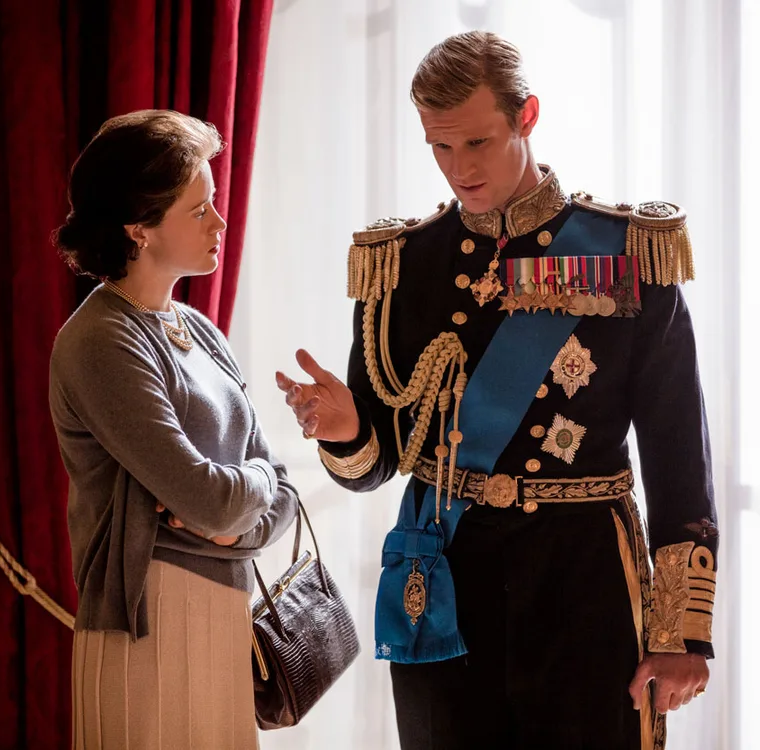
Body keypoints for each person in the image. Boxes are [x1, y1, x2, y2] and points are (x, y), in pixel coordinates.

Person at [277, 31, 717, 750]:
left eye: (477, 142)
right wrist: (343, 431)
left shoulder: (629, 253)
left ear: (528, 116)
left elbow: (678, 458)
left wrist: (681, 635)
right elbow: (378, 462)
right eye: (440, 148)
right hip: (447, 574)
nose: (460, 169)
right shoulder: (402, 265)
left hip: (583, 577)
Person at [50, 110, 298, 750]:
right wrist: (236, 504)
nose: (220, 222)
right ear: (138, 228)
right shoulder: (101, 340)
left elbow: (281, 490)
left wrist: (230, 518)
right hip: (148, 620)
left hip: (222, 609)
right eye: (199, 209)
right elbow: (212, 497)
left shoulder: (200, 330)